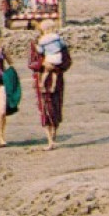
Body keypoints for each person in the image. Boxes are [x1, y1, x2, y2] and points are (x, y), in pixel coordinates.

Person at [29, 19, 71, 150]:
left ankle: (53, 136)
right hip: (42, 81)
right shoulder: (36, 44)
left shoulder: (59, 44)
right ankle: (49, 140)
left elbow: (67, 61)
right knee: (45, 109)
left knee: (56, 108)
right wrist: (42, 64)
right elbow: (31, 63)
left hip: (57, 80)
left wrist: (55, 67)